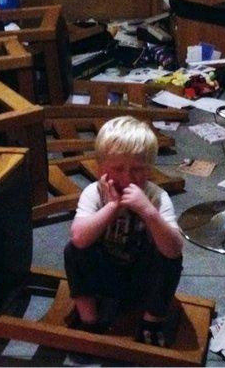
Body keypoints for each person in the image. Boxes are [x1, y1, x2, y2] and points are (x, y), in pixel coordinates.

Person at [63, 116, 184, 347]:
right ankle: (89, 319)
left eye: (137, 169)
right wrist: (111, 206)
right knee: (73, 250)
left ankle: (151, 322)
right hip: (103, 277)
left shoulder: (156, 197)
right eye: (117, 169)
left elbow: (174, 249)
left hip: (141, 280)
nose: (127, 178)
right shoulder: (94, 193)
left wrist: (148, 212)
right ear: (100, 169)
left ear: (149, 170)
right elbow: (78, 238)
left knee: (170, 256)